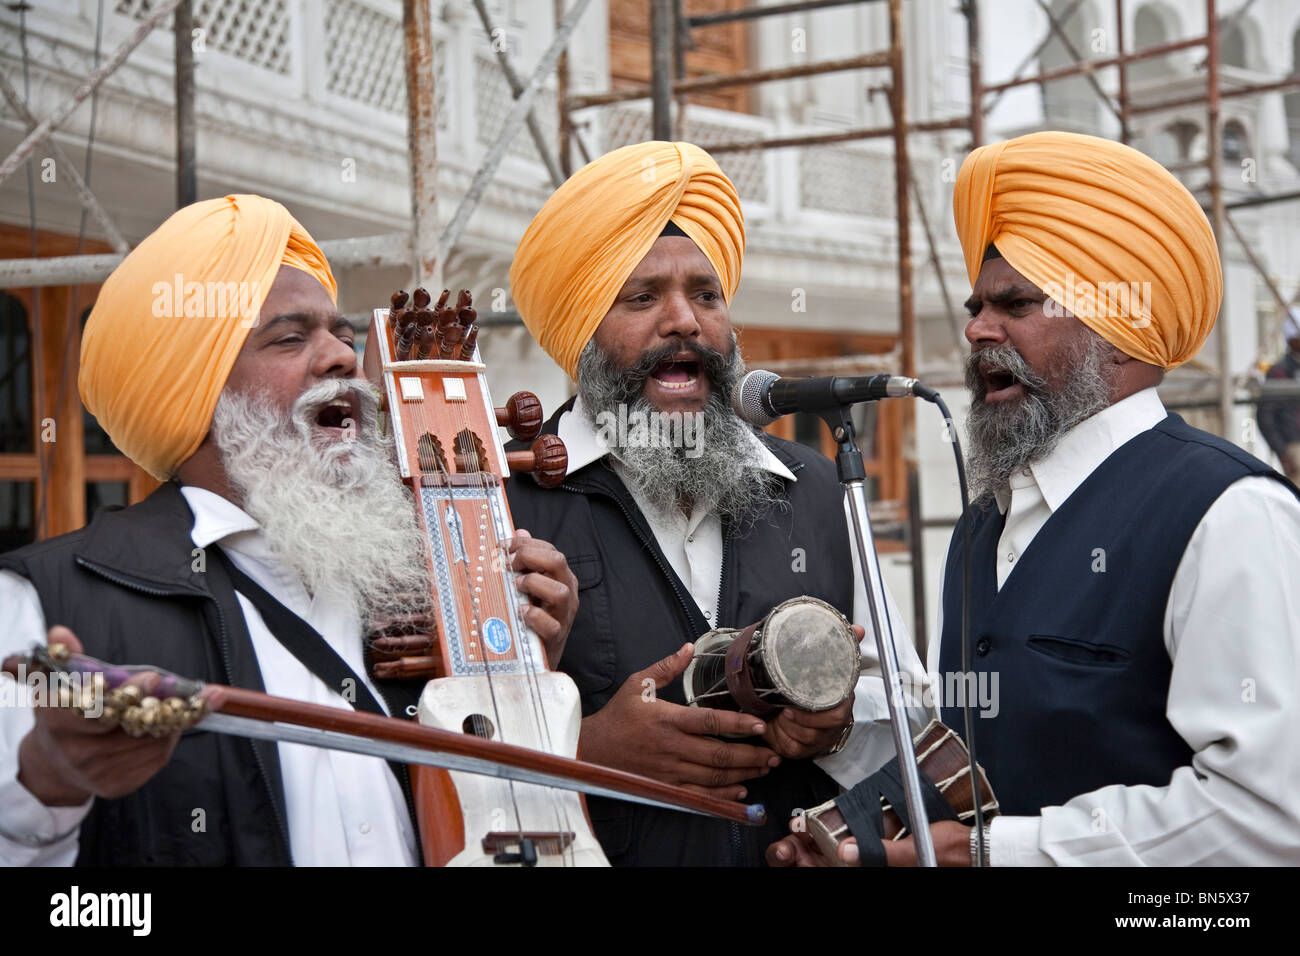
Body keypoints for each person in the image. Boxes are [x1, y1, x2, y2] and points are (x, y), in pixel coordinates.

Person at [768, 130, 1300, 867]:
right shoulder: (987, 521)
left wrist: (990, 853)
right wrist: (849, 829)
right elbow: (968, 756)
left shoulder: (1230, 513)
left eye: (1016, 303)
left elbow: (1267, 815)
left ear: (1120, 329)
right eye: (977, 306)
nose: (978, 329)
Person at [0, 195, 578, 866]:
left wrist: (523, 676)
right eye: (290, 337)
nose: (340, 357)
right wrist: (47, 783)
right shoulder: (45, 601)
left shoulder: (425, 580)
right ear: (200, 389)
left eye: (340, 332)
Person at [505, 141, 927, 866]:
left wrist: (836, 725)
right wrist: (582, 747)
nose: (685, 323)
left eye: (706, 295)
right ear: (580, 333)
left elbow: (905, 709)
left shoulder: (815, 489)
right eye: (642, 298)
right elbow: (428, 740)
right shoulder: (504, 500)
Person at [1258, 307, 1300, 484]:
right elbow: (1264, 416)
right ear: (1292, 340)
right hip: (1295, 447)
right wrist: (1283, 452)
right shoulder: (1279, 372)